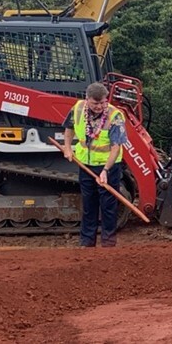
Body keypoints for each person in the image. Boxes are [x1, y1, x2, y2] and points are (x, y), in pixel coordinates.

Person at [63, 82, 127, 247]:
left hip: (109, 167)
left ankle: (108, 242)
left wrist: (105, 170)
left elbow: (115, 147)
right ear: (87, 99)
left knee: (108, 205)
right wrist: (68, 148)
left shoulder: (115, 116)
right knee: (89, 203)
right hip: (86, 165)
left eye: (102, 102)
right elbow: (69, 129)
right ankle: (87, 242)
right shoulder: (78, 109)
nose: (99, 106)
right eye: (95, 103)